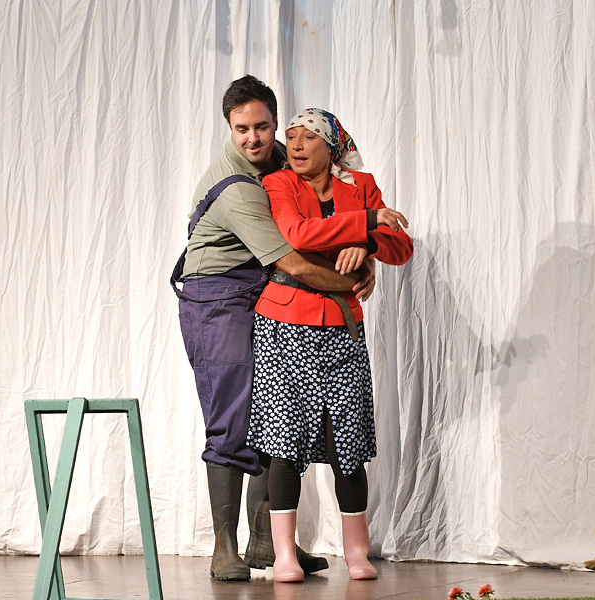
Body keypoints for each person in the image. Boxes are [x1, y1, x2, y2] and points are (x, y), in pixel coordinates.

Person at [170, 76, 375, 581]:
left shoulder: (284, 159)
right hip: (217, 296)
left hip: (261, 290)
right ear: (229, 128)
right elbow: (295, 261)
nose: (253, 138)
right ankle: (224, 548)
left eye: (262, 126)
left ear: (275, 123)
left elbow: (337, 203)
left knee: (270, 419)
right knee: (231, 420)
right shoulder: (238, 189)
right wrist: (350, 286)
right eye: (241, 129)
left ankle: (267, 541)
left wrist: (366, 252)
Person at [246, 108, 413, 582]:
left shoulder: (360, 185)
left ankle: (357, 552)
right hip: (284, 325)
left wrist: (370, 245)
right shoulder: (279, 184)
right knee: (284, 441)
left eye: (308, 138)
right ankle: (283, 555)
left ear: (331, 145)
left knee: (348, 442)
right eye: (292, 137)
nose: (296, 146)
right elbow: (297, 235)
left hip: (343, 327)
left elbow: (402, 246)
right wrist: (366, 223)